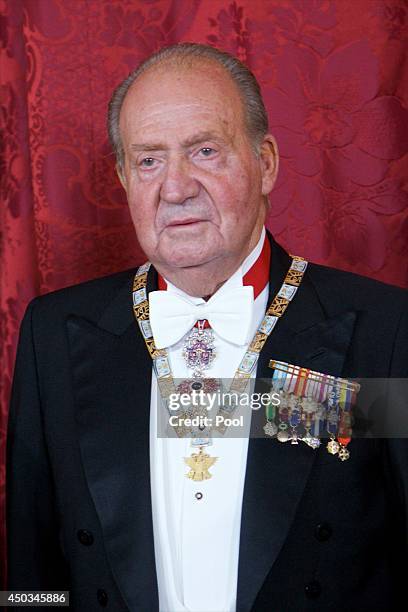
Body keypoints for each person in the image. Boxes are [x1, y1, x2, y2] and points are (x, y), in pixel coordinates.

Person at [6, 42, 408, 612]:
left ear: (266, 161)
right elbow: (31, 574)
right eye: (149, 160)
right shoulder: (52, 334)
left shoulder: (386, 332)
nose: (175, 187)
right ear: (123, 178)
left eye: (205, 151)